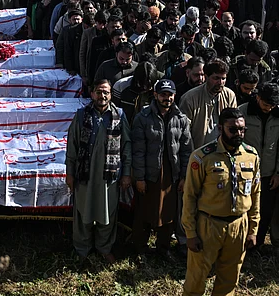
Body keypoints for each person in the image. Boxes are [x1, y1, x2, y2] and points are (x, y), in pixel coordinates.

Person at [182, 108, 260, 295]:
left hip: (239, 226)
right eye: (233, 130)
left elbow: (255, 194)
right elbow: (190, 196)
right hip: (209, 225)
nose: (238, 134)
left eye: (242, 130)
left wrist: (253, 229)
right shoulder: (202, 157)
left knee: (229, 278)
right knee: (197, 278)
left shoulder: (251, 155)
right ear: (220, 128)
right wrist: (190, 233)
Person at [65, 79, 132, 263]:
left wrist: (126, 173)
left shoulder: (119, 116)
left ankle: (104, 247)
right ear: (92, 93)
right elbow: (72, 146)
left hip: (109, 175)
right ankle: (82, 248)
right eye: (99, 92)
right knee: (83, 212)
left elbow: (126, 146)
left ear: (111, 95)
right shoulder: (81, 115)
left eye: (106, 92)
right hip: (85, 174)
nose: (102, 96)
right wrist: (70, 173)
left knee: (107, 212)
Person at [131, 79, 193, 258]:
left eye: (170, 95)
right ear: (155, 95)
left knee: (169, 213)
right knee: (144, 212)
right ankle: (140, 249)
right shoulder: (143, 117)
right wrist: (140, 178)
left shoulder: (181, 119)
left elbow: (186, 150)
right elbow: (138, 151)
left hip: (172, 174)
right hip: (150, 174)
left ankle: (163, 248)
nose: (167, 98)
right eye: (163, 94)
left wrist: (184, 177)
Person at [239, 83, 279, 255]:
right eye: (265, 104)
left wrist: (278, 173)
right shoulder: (243, 111)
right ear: (258, 97)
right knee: (244, 209)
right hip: (246, 172)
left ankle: (257, 244)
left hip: (269, 173)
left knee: (265, 211)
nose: (268, 108)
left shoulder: (277, 114)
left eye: (272, 105)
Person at [179, 59, 237, 149]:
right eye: (216, 78)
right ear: (206, 77)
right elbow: (184, 131)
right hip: (198, 150)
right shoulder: (190, 98)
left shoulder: (229, 95)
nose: (220, 82)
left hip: (223, 149)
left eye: (223, 78)